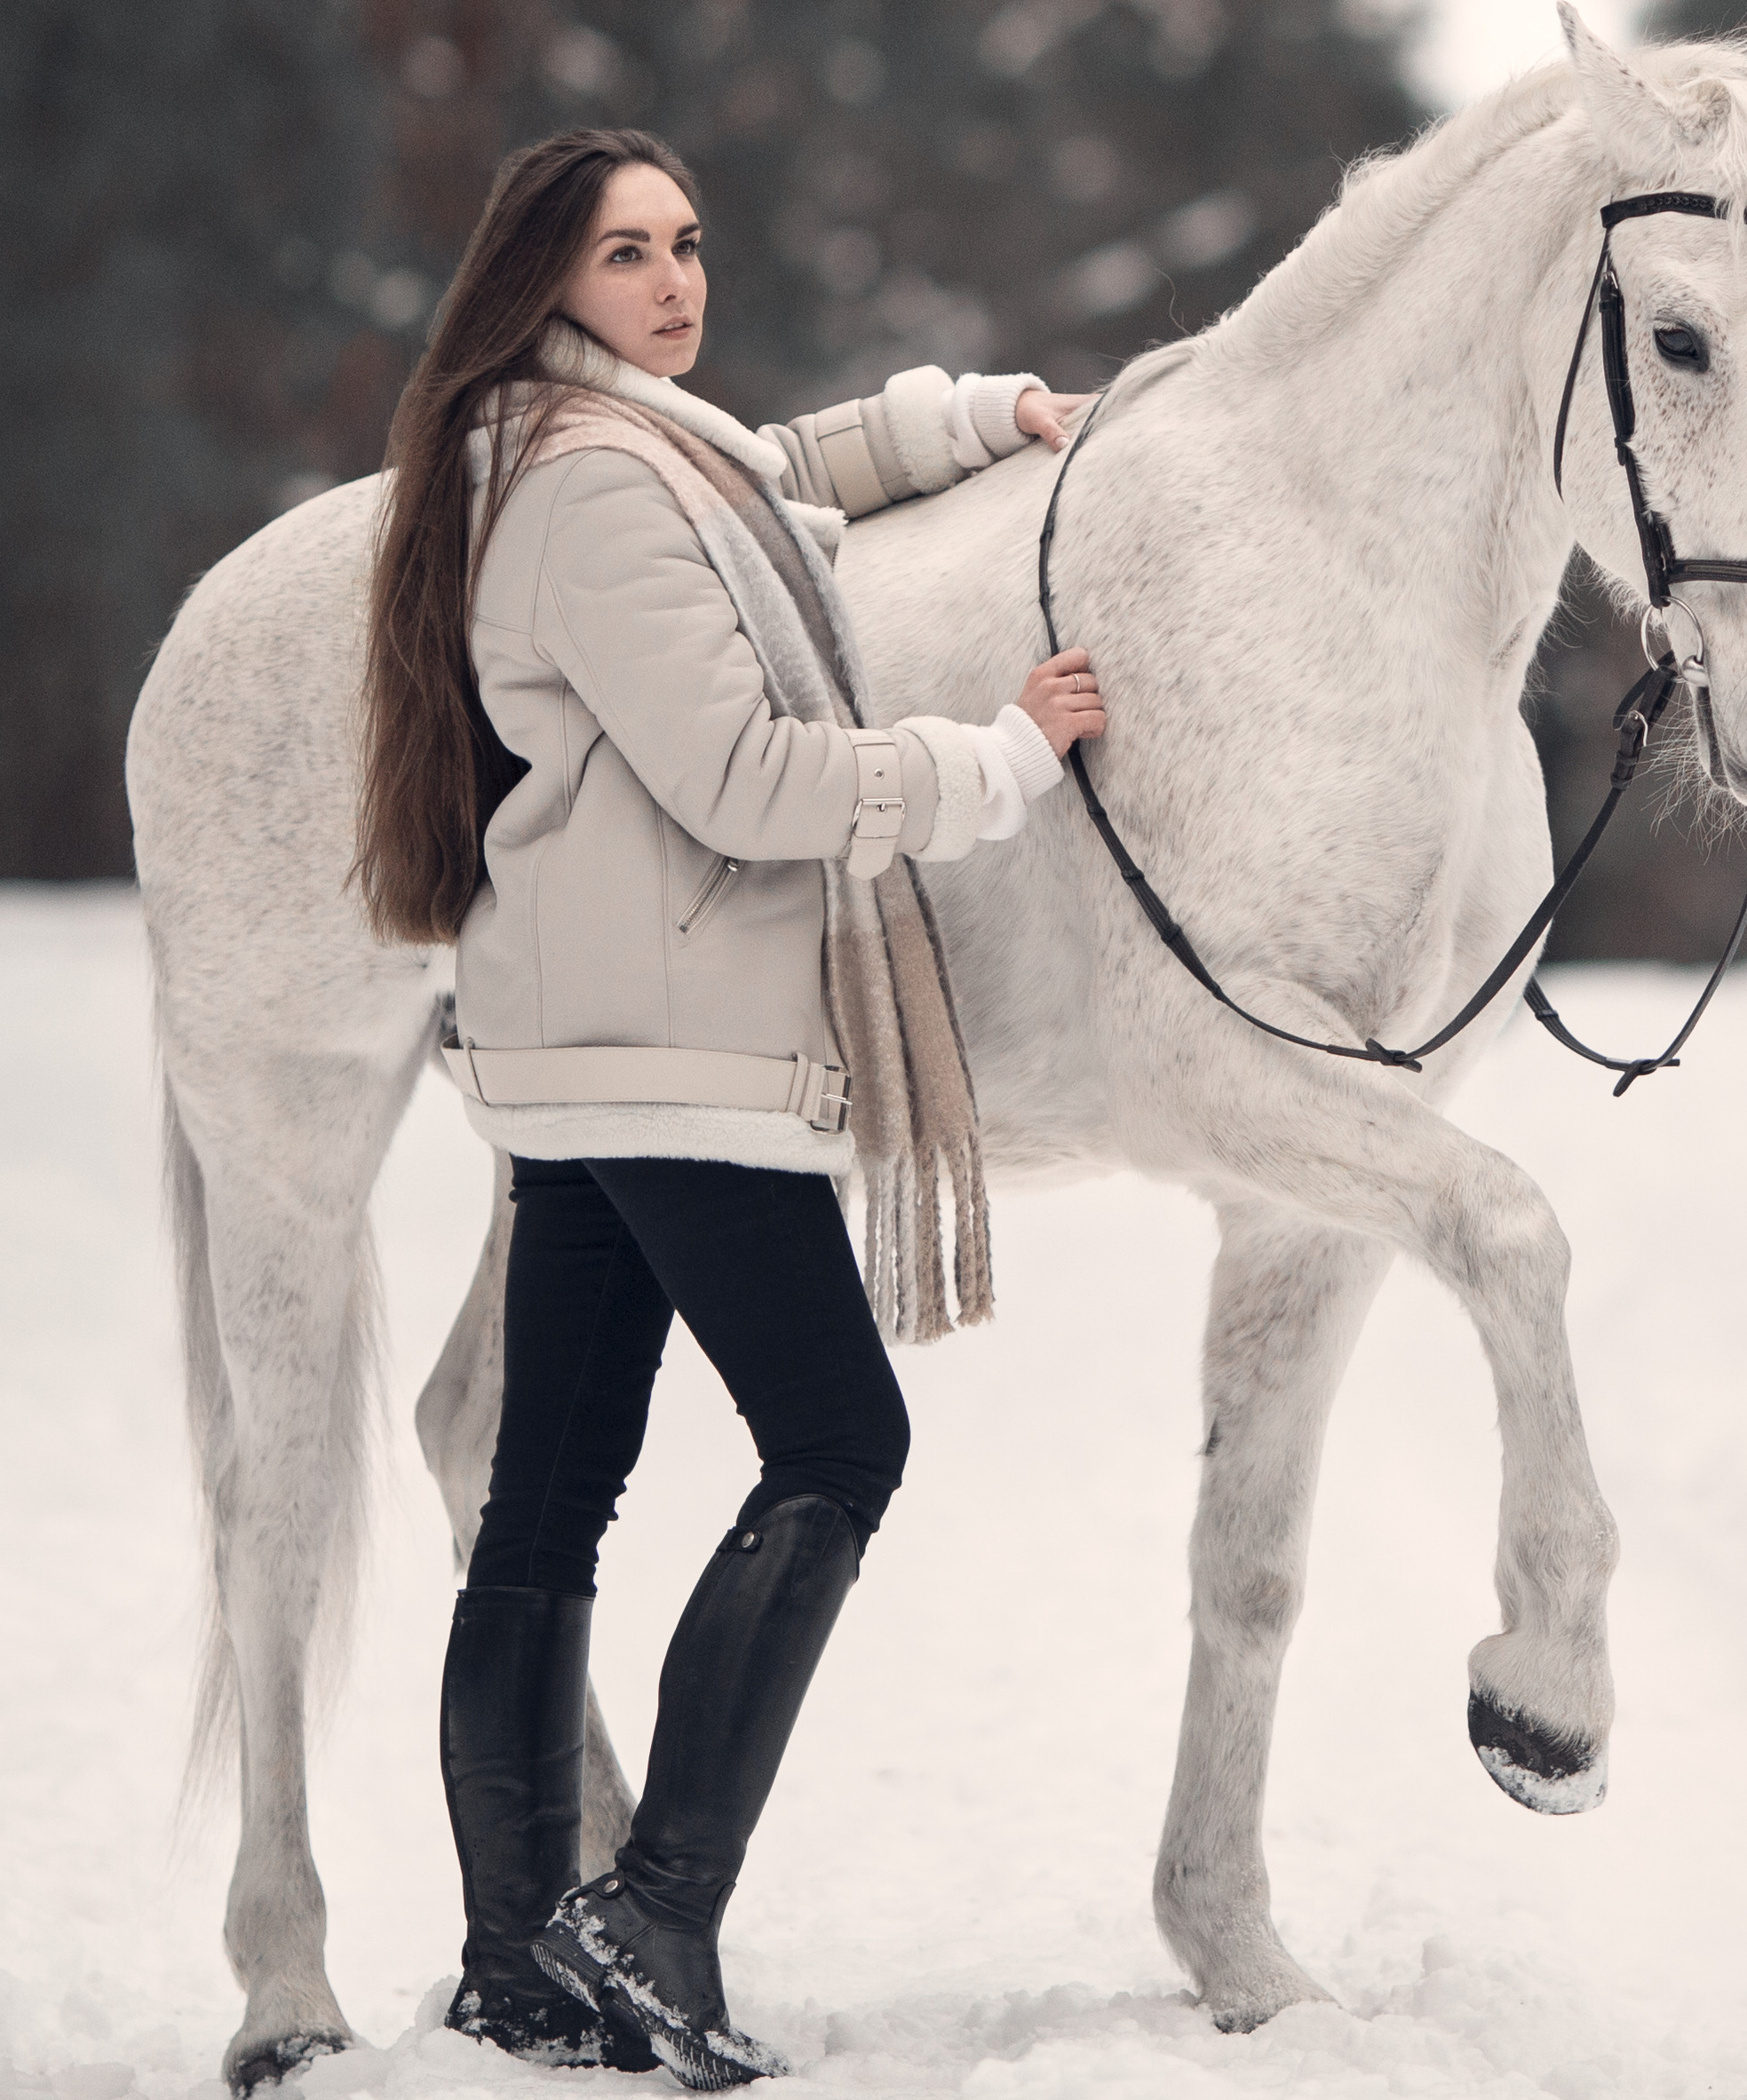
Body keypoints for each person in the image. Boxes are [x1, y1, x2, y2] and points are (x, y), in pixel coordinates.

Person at [353, 126, 1103, 2089]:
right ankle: (653, 1902)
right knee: (841, 1435)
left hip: (587, 1038)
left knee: (545, 1500)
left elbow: (787, 476)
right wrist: (1000, 753)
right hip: (673, 1049)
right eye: (626, 253)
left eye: (685, 243)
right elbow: (755, 778)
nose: (675, 282)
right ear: (543, 284)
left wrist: (982, 412)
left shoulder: (601, 448)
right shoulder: (595, 490)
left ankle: (523, 1960)